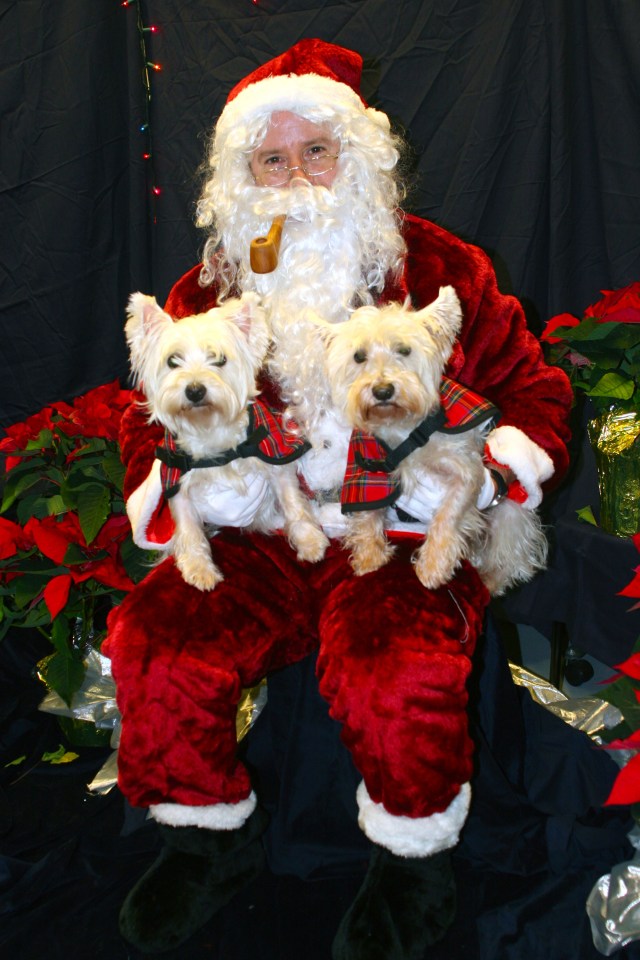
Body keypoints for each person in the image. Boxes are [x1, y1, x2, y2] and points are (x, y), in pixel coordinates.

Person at [103, 38, 573, 959]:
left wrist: (505, 462)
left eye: (315, 151)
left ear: (358, 157)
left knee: (396, 671)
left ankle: (413, 867)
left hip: (401, 528)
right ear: (240, 178)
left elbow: (535, 387)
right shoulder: (206, 287)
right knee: (156, 645)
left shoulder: (442, 268)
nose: (296, 177)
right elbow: (143, 414)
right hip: (257, 532)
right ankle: (206, 845)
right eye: (269, 160)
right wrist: (163, 485)